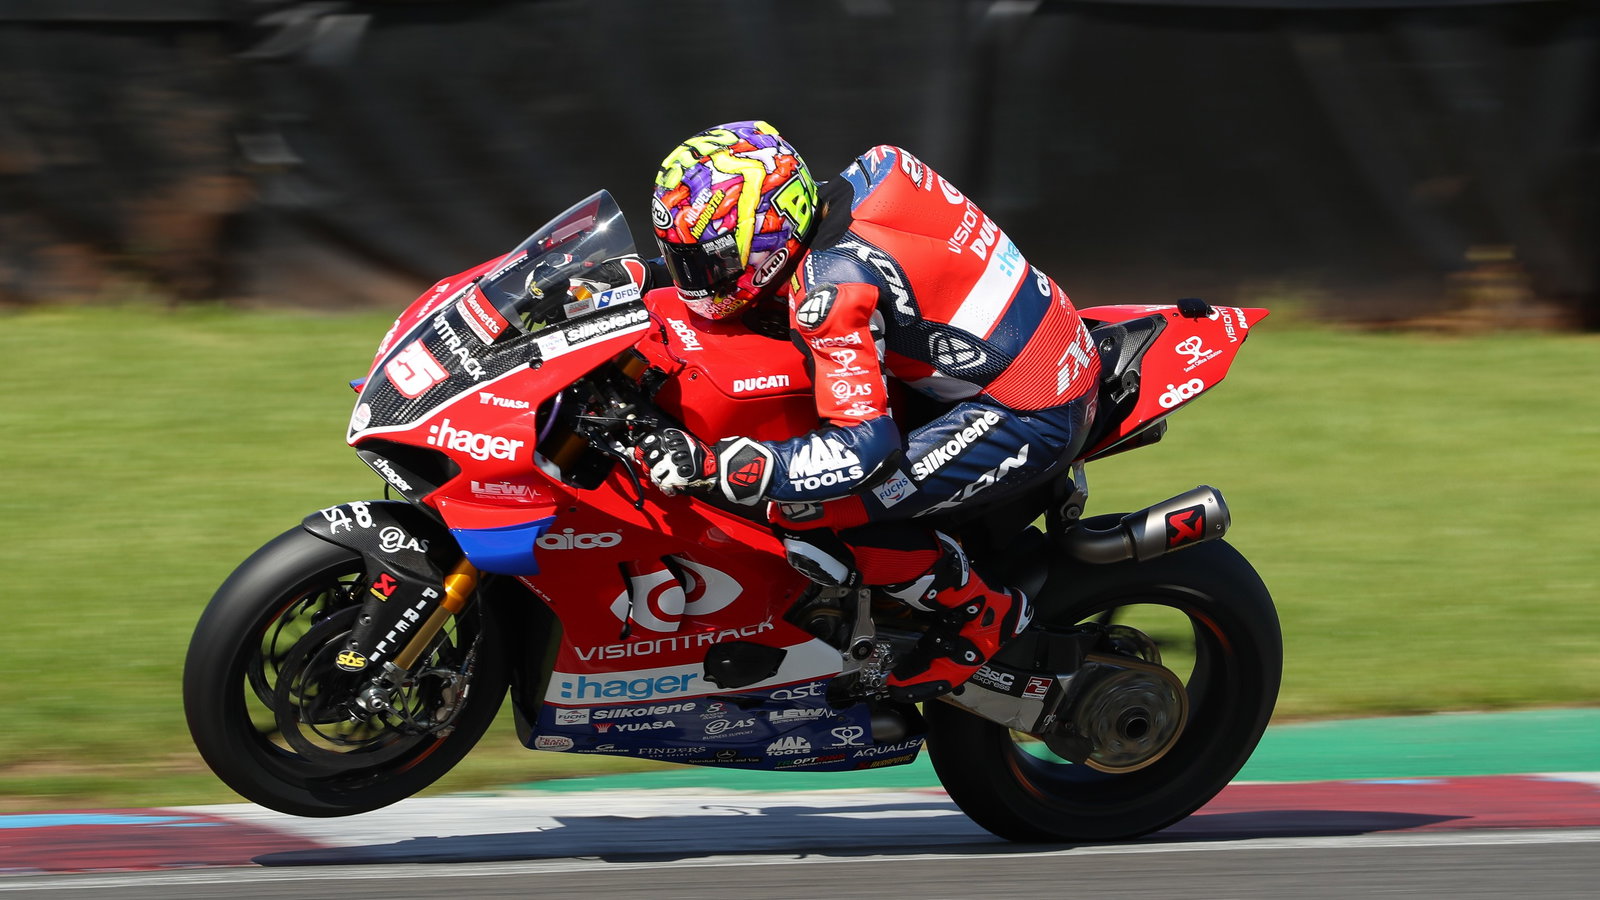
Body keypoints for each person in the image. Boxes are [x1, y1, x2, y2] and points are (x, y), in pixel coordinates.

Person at [630, 120, 1102, 701]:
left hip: (1030, 403)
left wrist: (721, 466)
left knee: (805, 506)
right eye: (681, 262)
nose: (696, 284)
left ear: (771, 234)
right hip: (1035, 332)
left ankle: (980, 612)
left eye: (706, 266)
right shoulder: (865, 174)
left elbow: (865, 449)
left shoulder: (831, 291)